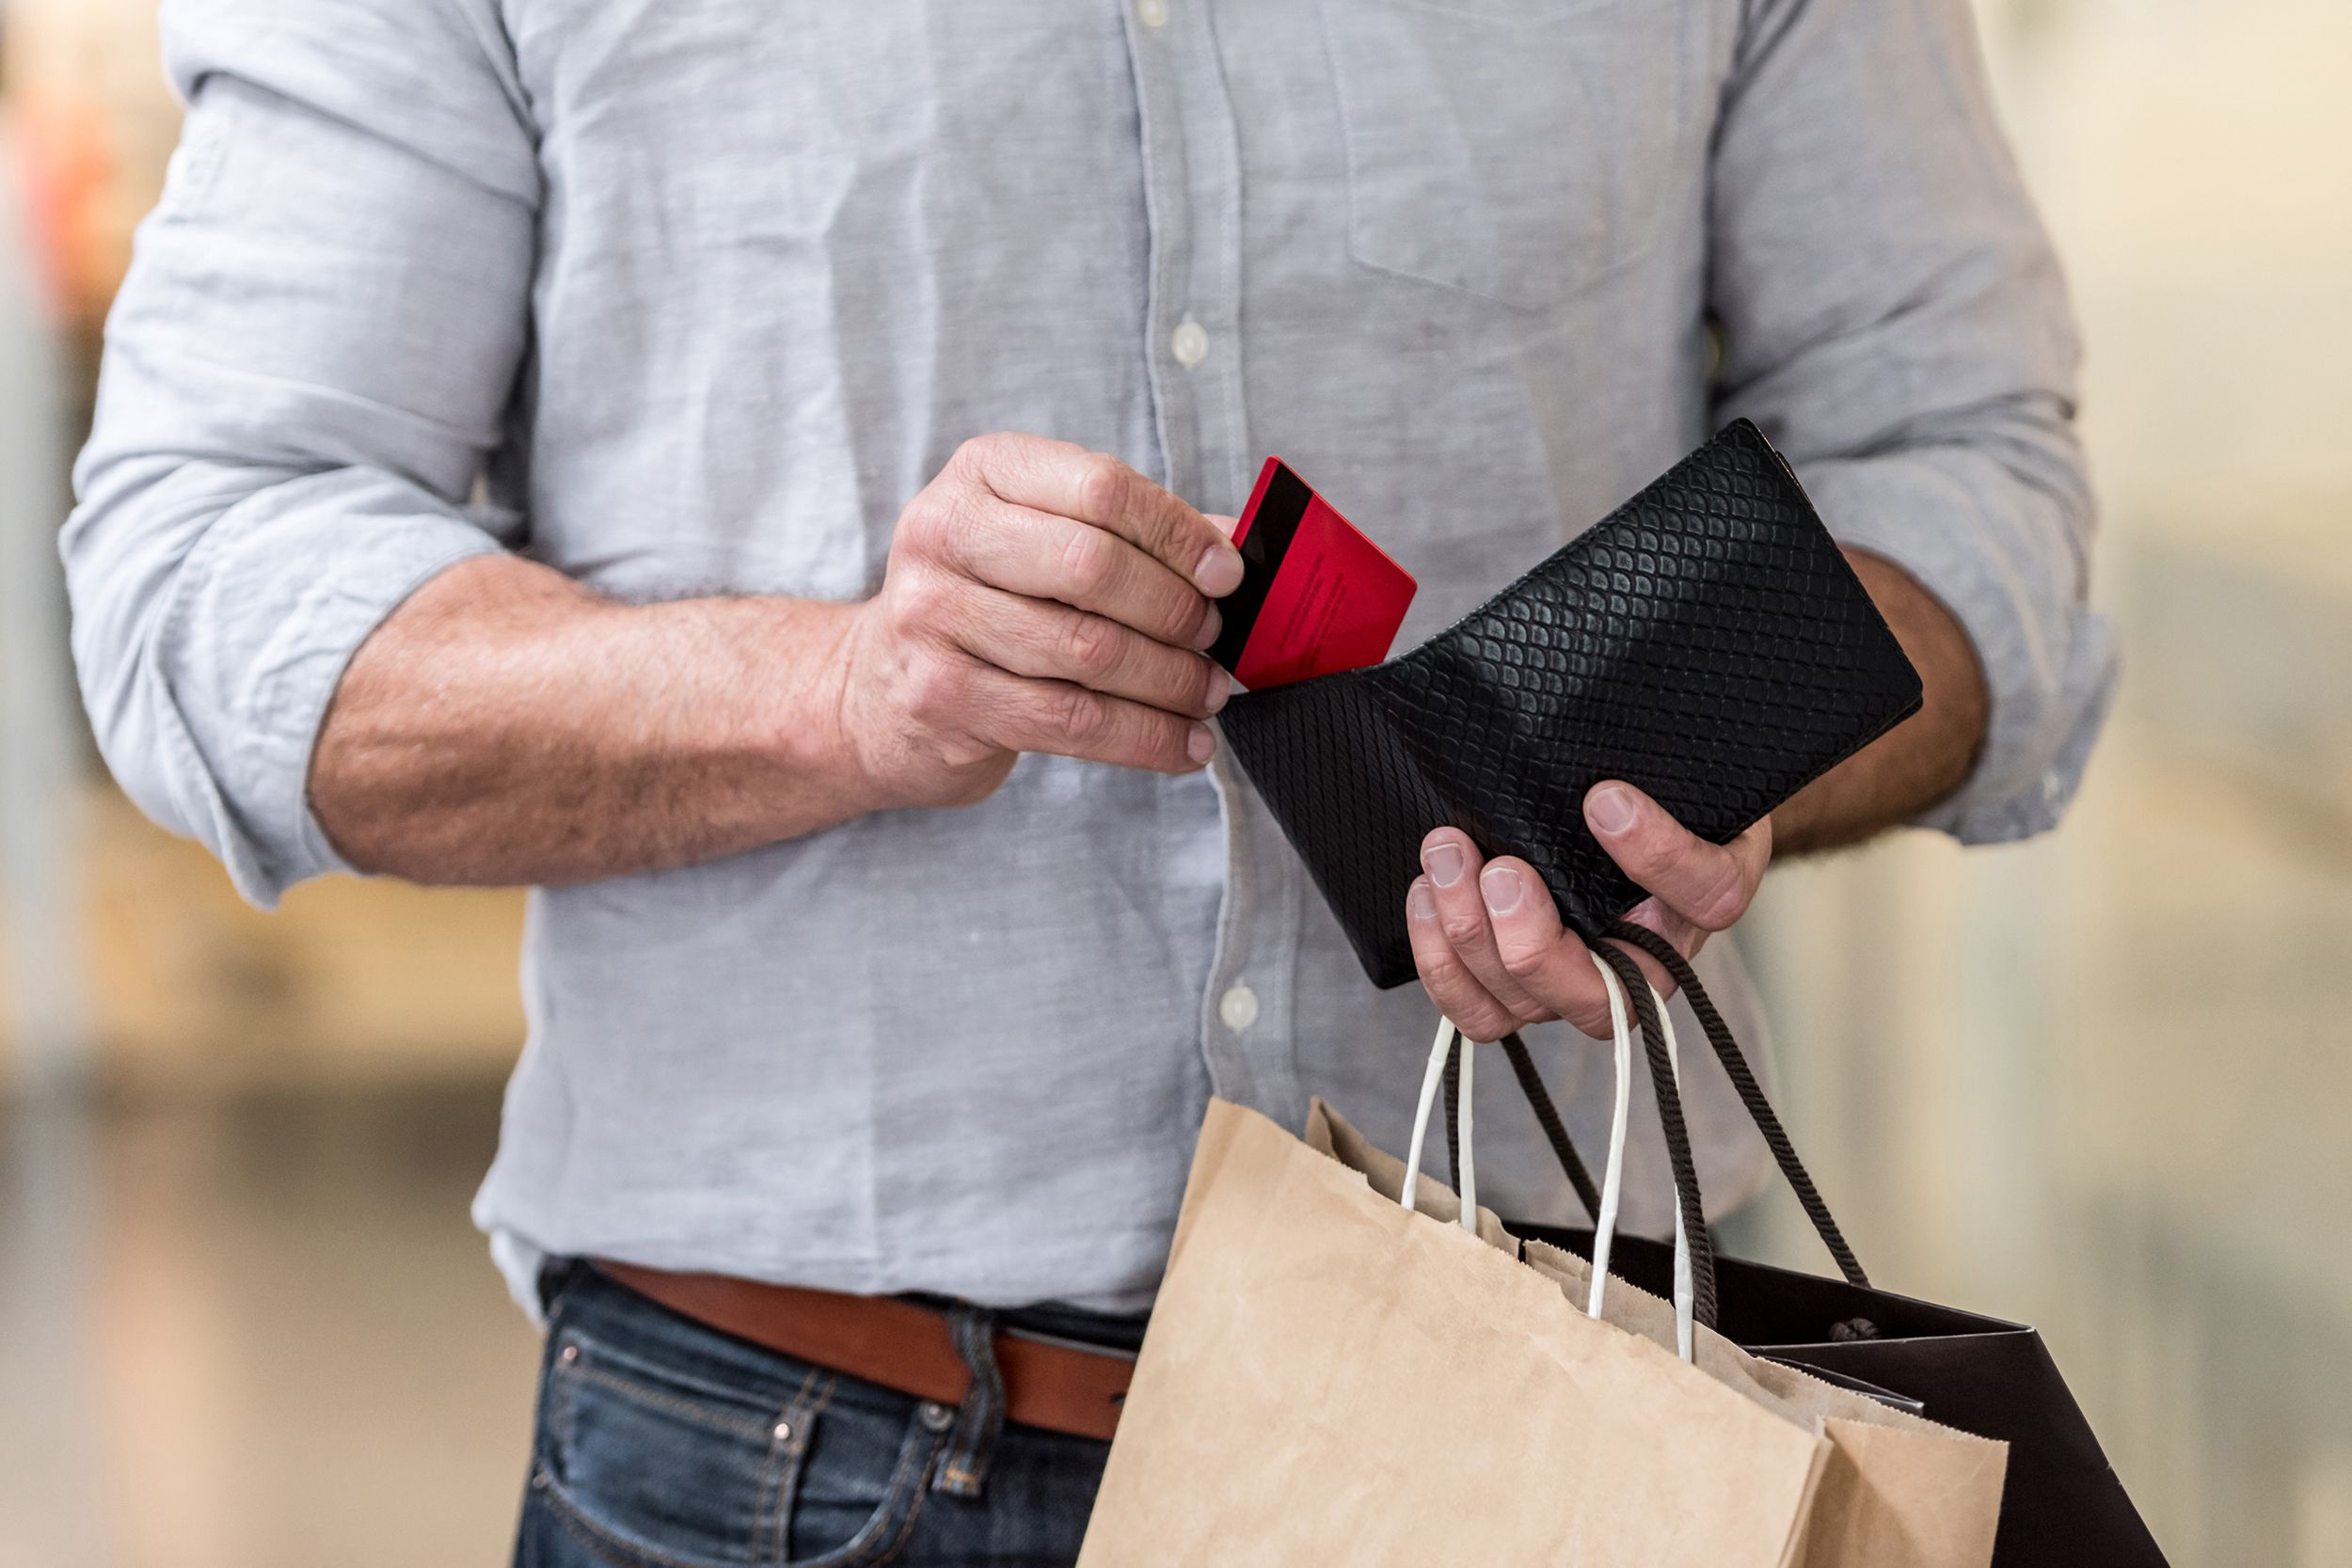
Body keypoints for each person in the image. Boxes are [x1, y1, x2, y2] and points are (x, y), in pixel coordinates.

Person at [63, 1, 2115, 1561]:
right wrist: (839, 693)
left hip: (1577, 1422)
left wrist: (1681, 749)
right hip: (780, 1453)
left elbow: (1963, 476)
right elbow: (204, 579)